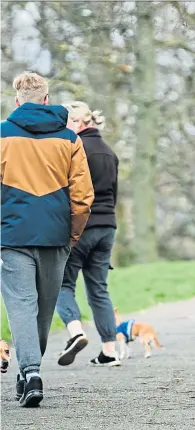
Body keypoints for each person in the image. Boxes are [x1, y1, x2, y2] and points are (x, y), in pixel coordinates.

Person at [1, 72, 94, 407]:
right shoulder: (70, 138)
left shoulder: (1, 135)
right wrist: (72, 234)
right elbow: (83, 196)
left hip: (11, 234)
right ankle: (30, 370)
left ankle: (30, 372)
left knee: (21, 305)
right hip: (56, 236)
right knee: (43, 306)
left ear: (17, 101)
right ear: (45, 99)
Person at [55, 101, 121, 367]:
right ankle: (109, 351)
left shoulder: (75, 148)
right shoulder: (109, 152)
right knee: (99, 290)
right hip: (107, 227)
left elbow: (69, 190)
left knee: (63, 283)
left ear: (79, 123)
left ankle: (75, 331)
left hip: (83, 226)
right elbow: (114, 194)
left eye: (68, 123)